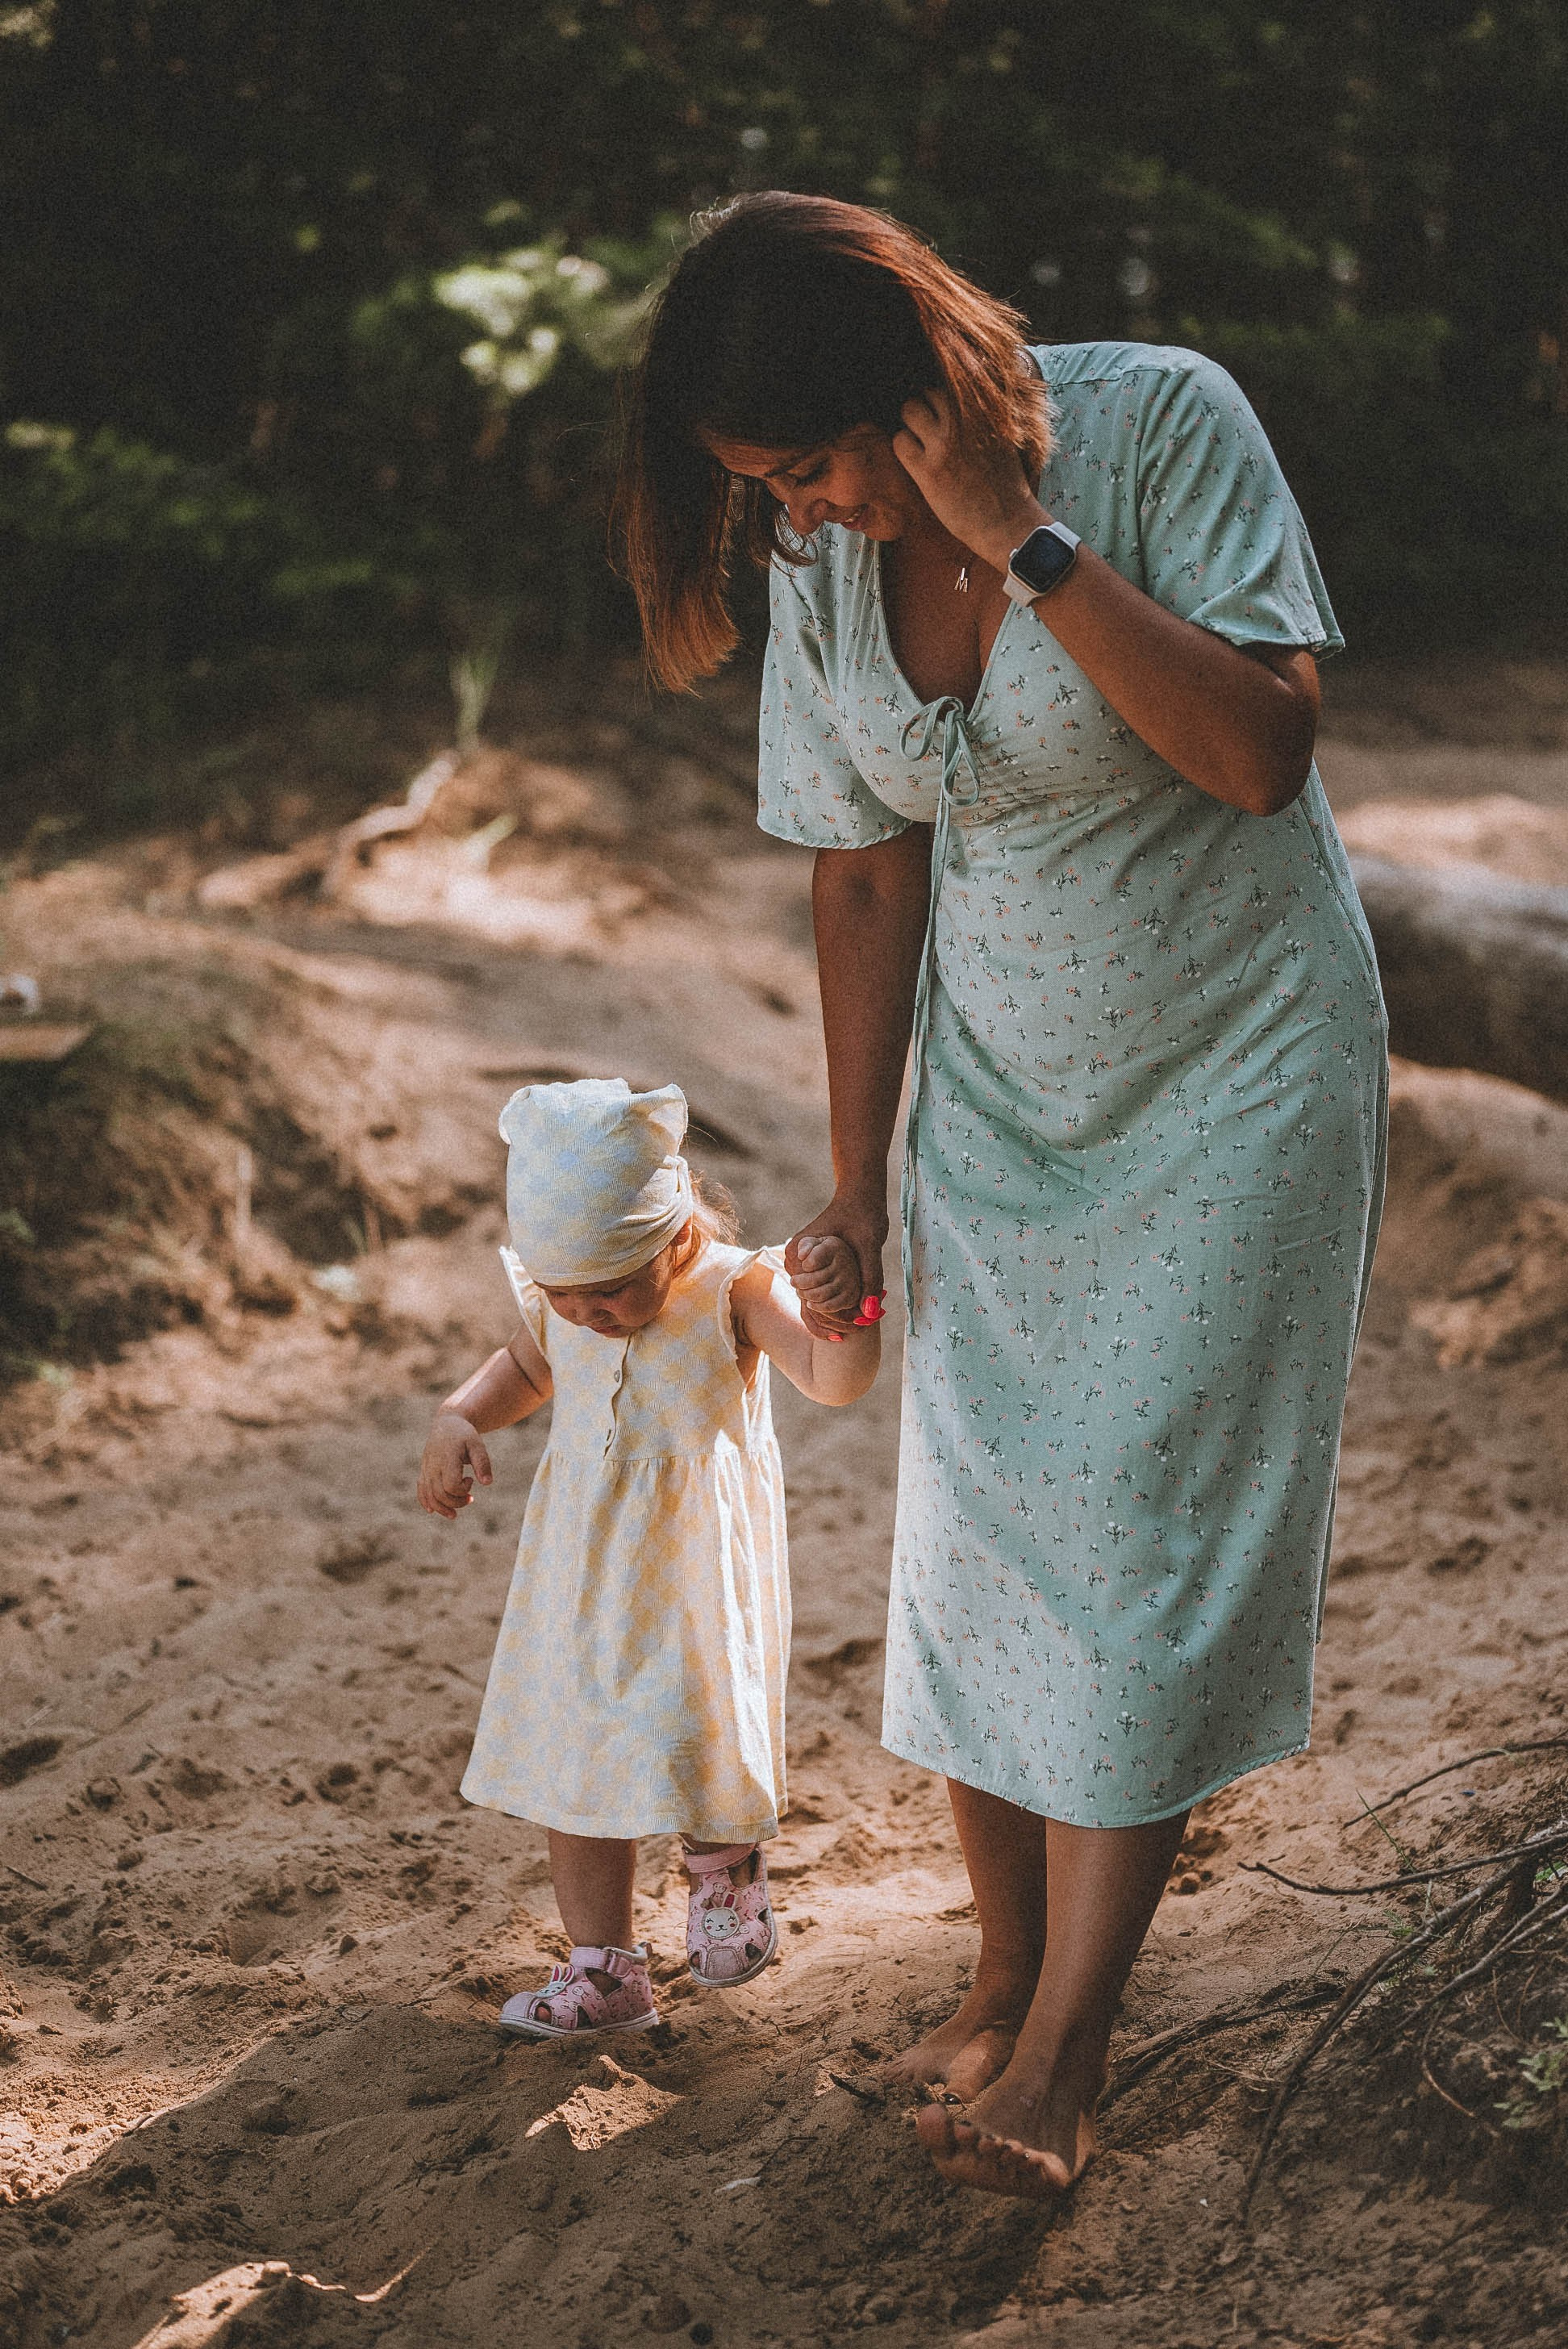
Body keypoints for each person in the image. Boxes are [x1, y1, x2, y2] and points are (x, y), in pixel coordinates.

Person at [615, 194, 1387, 2192]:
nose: (799, 514)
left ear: (911, 390)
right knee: (977, 1530)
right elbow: (862, 866)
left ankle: (1065, 2050)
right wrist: (852, 1180)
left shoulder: (1160, 425)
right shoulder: (817, 551)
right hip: (993, 1089)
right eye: (765, 488)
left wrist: (1020, 547)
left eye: (811, 465)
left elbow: (1258, 757)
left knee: (1135, 1531)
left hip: (1229, 1075)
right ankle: (993, 1979)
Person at [416, 1076, 880, 2038]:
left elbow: (831, 1382)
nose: (589, 1313)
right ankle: (604, 1969)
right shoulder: (569, 1301)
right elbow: (526, 1365)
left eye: (612, 1289)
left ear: (674, 1238)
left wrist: (847, 1319)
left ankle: (724, 1872)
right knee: (573, 1760)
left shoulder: (733, 1286)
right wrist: (458, 1414)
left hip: (693, 1571)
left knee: (691, 1716)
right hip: (579, 1572)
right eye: (565, 1295)